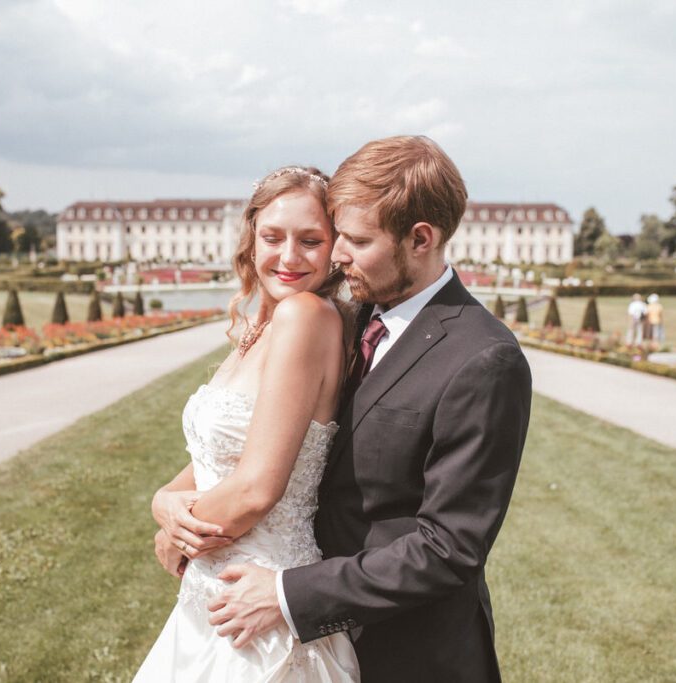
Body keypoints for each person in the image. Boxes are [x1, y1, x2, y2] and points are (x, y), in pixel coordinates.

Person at [200, 136, 533, 681]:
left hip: (410, 654)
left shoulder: (483, 359)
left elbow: (449, 549)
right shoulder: (347, 318)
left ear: (420, 239)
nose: (335, 254)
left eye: (355, 239)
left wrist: (288, 593)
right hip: (309, 646)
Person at [135, 166, 360, 681]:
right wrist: (163, 502)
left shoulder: (305, 315)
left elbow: (257, 490)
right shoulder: (261, 326)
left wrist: (178, 536)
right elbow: (214, 458)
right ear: (251, 237)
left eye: (311, 240)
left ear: (334, 247)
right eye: (273, 237)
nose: (288, 257)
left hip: (258, 606)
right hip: (213, 598)